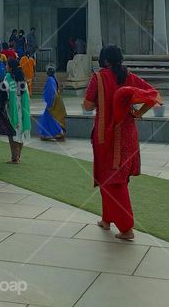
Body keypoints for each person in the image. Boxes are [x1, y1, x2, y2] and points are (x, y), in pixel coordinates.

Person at [83, 45, 162, 241]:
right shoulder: (130, 77)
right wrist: (138, 112)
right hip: (127, 134)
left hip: (105, 136)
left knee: (113, 181)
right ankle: (107, 218)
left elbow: (87, 105)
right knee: (112, 178)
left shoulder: (99, 78)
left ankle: (127, 228)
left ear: (105, 60)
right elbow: (153, 95)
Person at [5, 60, 30, 164]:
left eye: (7, 65)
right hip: (22, 107)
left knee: (12, 132)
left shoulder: (8, 77)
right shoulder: (22, 78)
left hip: (12, 108)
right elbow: (27, 94)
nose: (6, 67)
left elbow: (5, 92)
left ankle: (14, 158)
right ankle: (18, 156)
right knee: (20, 131)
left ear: (10, 67)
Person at [38, 66, 66, 140]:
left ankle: (58, 132)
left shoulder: (50, 80)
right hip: (56, 101)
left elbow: (50, 92)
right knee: (48, 118)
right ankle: (47, 134)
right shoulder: (53, 79)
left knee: (50, 118)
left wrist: (49, 102)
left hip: (53, 102)